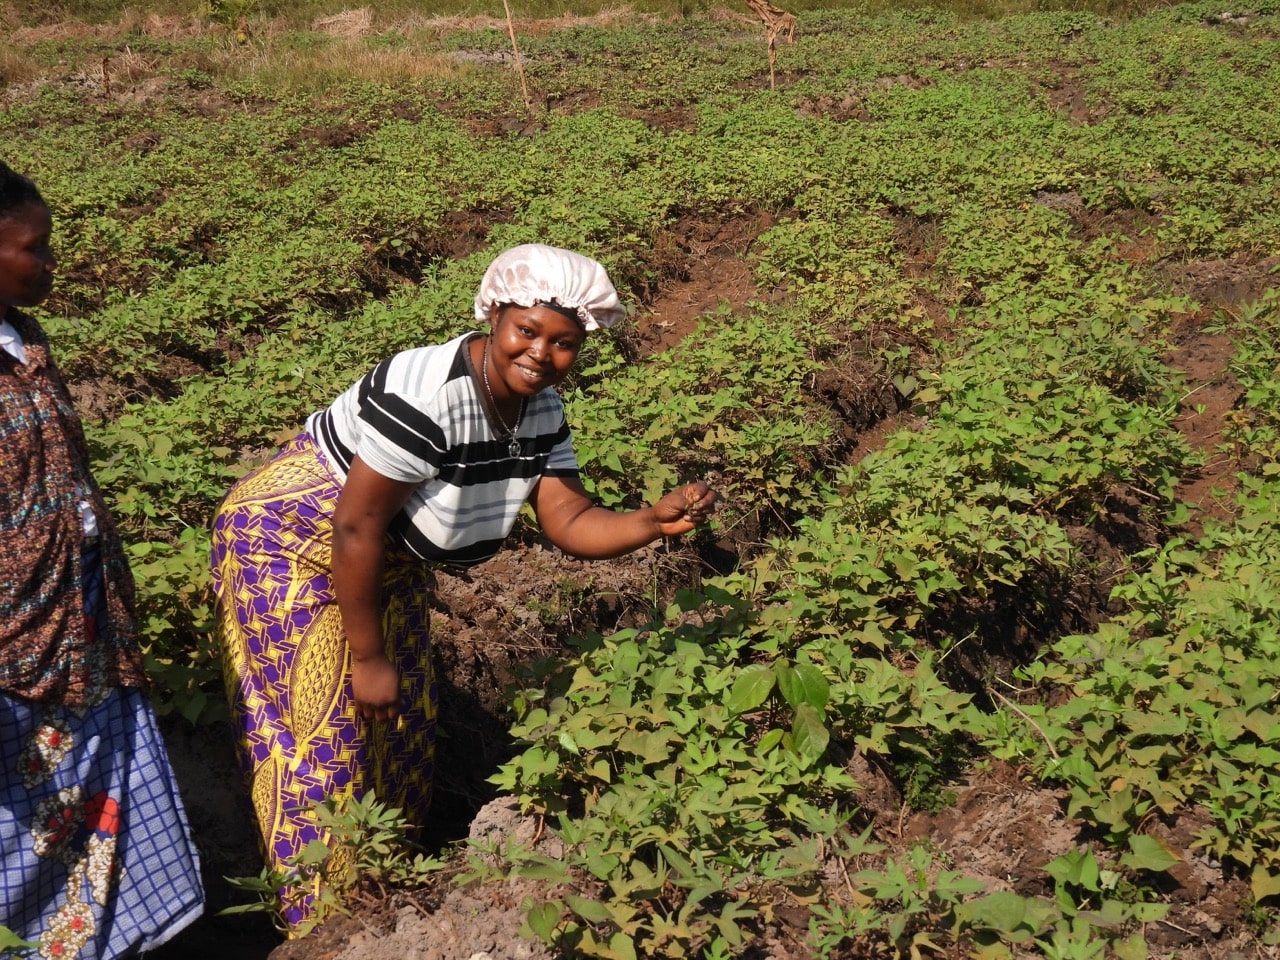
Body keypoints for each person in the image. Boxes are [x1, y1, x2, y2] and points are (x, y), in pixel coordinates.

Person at [211, 242, 716, 930]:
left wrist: (649, 522)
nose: (540, 353)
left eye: (564, 343)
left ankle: (381, 898)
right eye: (527, 331)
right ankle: (318, 925)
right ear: (493, 313)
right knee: (322, 739)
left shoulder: (538, 410)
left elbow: (568, 517)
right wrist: (367, 656)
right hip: (291, 543)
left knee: (405, 727)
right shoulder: (430, 394)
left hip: (381, 555)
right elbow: (353, 526)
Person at [0, 160, 205, 956]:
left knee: (91, 779)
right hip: (15, 636)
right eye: (34, 248)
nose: (50, 263)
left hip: (75, 610)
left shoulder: (24, 336)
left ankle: (106, 938)